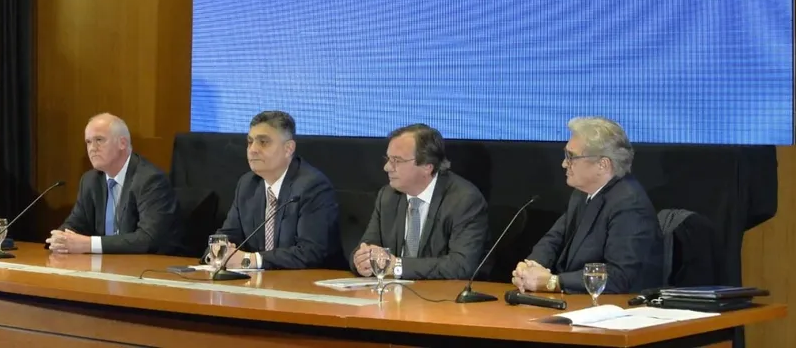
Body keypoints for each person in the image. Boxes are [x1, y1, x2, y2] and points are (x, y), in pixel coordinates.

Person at [512, 116, 663, 294]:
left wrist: (553, 282)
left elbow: (619, 276)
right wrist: (531, 267)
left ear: (602, 165)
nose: (564, 164)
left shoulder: (630, 205)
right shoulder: (582, 193)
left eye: (571, 157)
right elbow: (554, 239)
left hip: (619, 306)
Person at [351, 124, 489, 280]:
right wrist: (361, 261)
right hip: (394, 291)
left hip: (442, 293)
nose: (387, 167)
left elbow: (460, 265)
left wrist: (397, 266)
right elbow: (368, 245)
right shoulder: (388, 196)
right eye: (388, 159)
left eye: (397, 160)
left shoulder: (464, 200)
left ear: (427, 167)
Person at [215, 110, 342, 269]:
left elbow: (310, 252)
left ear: (288, 148)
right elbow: (228, 235)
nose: (252, 149)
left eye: (263, 142)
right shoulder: (248, 184)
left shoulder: (312, 186)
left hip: (306, 281)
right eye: (250, 142)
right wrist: (218, 249)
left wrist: (250, 260)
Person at [47, 113, 185, 255]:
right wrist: (60, 238)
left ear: (122, 143)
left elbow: (149, 239)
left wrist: (89, 244)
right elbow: (76, 223)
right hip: (105, 263)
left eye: (99, 140)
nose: (92, 148)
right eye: (88, 142)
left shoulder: (150, 180)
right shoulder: (90, 180)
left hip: (149, 264)